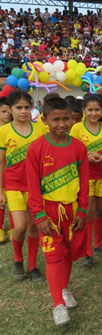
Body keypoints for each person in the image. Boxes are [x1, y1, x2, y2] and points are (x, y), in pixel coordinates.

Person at [26, 97, 89, 326]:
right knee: (53, 257)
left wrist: (82, 211)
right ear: (44, 120)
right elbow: (33, 187)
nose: (62, 124)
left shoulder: (79, 147)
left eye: (67, 119)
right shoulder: (36, 149)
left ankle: (64, 289)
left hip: (73, 210)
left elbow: (84, 183)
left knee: (68, 254)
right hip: (49, 212)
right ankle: (58, 305)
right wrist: (39, 215)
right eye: (56, 120)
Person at [0, 90, 44, 281]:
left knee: (35, 226)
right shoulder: (3, 131)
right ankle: (18, 258)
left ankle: (33, 265)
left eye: (27, 107)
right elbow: (1, 162)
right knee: (20, 226)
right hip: (13, 186)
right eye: (19, 107)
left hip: (35, 186)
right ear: (10, 109)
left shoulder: (40, 130)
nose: (23, 111)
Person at [70, 94, 102, 266]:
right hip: (85, 176)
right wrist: (85, 157)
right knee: (87, 214)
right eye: (90, 110)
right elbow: (71, 152)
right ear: (84, 111)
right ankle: (87, 252)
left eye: (97, 109)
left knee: (99, 210)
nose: (93, 113)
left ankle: (97, 244)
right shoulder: (76, 129)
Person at [0, 97, 11, 243]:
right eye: (3, 111)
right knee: (1, 201)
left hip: (13, 170)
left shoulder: (14, 129)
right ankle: (0, 229)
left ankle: (14, 229)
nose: (7, 114)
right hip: (1, 169)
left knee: (14, 202)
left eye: (9, 111)